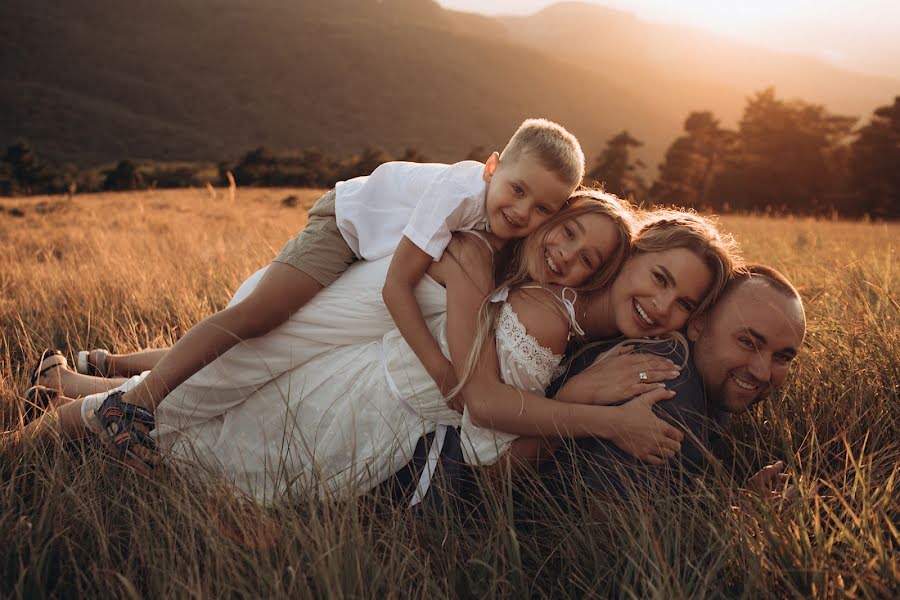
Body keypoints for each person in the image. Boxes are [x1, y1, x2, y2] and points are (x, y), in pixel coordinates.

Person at [14, 195, 645, 501]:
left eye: (586, 258)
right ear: (552, 217)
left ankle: (67, 385)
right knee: (192, 405)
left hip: (343, 354)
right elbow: (466, 382)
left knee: (219, 406)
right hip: (311, 324)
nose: (567, 254)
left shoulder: (508, 268)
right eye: (566, 232)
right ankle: (35, 438)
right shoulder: (478, 253)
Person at [74, 118, 585, 464]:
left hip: (369, 249)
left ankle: (110, 368)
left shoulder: (503, 229)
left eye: (543, 210)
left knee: (279, 337)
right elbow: (396, 288)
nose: (523, 213)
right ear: (493, 167)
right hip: (345, 227)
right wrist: (440, 371)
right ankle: (134, 403)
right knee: (259, 318)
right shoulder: (457, 194)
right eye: (517, 190)